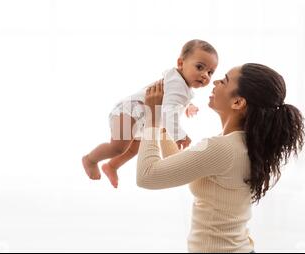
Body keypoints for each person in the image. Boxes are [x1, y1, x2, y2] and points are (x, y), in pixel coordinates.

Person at [137, 63, 305, 253]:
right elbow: (180, 168)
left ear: (238, 102)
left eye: (224, 81)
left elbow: (147, 176)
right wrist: (162, 124)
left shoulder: (222, 148)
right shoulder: (242, 145)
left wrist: (151, 121)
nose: (215, 81)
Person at [82, 39, 219, 188]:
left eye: (210, 72)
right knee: (118, 147)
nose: (205, 75)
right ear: (181, 63)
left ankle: (112, 166)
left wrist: (188, 106)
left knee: (134, 148)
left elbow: (172, 100)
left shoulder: (181, 83)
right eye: (200, 67)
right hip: (130, 112)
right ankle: (90, 159)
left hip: (142, 119)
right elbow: (168, 112)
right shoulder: (177, 83)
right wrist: (179, 134)